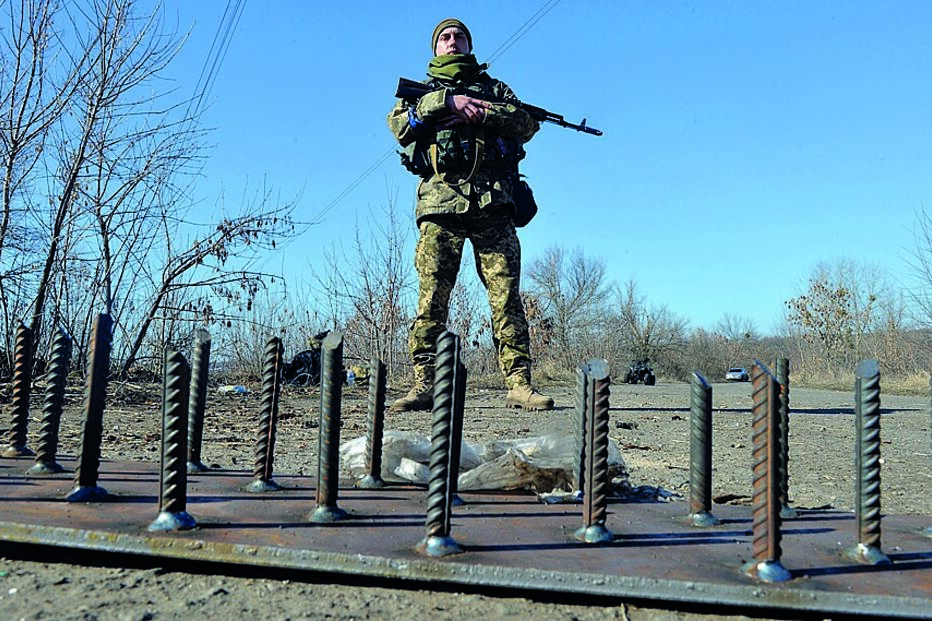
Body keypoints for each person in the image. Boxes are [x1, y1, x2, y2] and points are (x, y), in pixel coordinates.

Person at [387, 18, 554, 412]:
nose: (452, 41)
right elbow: (400, 127)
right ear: (436, 48)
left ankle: (519, 384)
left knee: (506, 298)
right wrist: (447, 102)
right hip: (439, 205)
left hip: (493, 204)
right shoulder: (421, 92)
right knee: (431, 300)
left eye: (459, 36)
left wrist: (483, 113)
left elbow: (526, 124)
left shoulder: (494, 90)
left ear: (469, 44)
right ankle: (425, 384)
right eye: (445, 37)